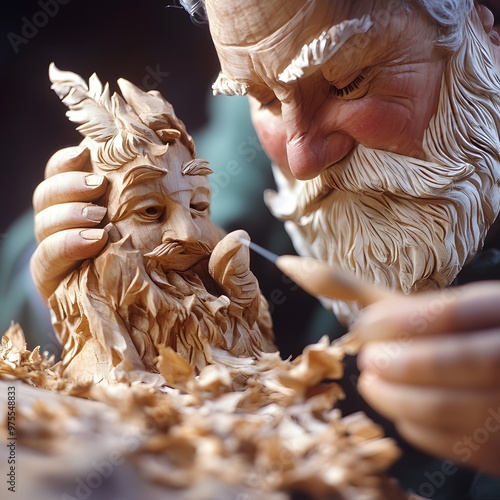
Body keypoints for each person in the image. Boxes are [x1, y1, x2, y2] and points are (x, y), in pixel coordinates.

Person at [30, 0, 500, 497]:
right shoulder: (258, 108)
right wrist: (81, 288)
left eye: (347, 83)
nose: (300, 160)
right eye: (266, 100)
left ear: (485, 23)